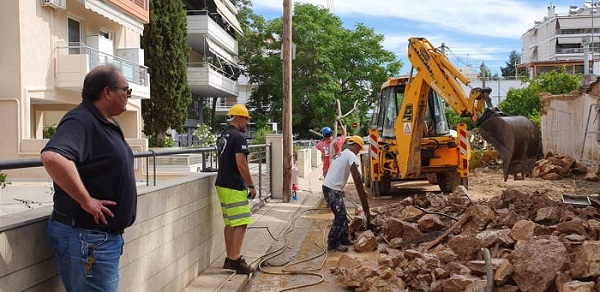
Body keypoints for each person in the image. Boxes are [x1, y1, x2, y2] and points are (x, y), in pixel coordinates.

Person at [40, 64, 136, 292]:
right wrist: (86, 200)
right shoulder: (81, 121)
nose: (128, 96)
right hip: (87, 239)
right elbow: (53, 157)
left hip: (98, 239)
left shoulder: (107, 122)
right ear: (107, 92)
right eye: (126, 90)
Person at [215, 103, 256, 274]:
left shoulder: (224, 135)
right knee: (242, 222)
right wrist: (251, 186)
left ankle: (230, 257)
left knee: (230, 223)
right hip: (233, 185)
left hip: (222, 184)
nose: (247, 123)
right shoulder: (238, 137)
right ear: (238, 118)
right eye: (246, 120)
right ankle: (235, 259)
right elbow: (242, 164)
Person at [321, 135, 365, 252]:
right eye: (359, 149)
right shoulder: (350, 154)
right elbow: (355, 173)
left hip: (331, 188)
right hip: (332, 189)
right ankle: (333, 243)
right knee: (340, 217)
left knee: (343, 215)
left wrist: (340, 188)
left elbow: (336, 171)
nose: (358, 152)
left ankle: (344, 238)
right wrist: (362, 190)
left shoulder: (343, 153)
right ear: (354, 145)